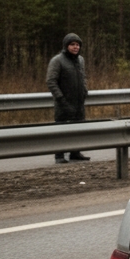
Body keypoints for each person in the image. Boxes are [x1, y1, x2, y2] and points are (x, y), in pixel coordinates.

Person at [47, 32, 90, 164]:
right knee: (61, 129)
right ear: (66, 46)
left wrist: (84, 91)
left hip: (78, 101)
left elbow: (83, 78)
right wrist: (60, 98)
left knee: (78, 127)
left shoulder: (80, 60)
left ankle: (75, 153)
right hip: (63, 102)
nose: (76, 47)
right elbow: (51, 81)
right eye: (72, 44)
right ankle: (59, 155)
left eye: (77, 45)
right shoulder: (57, 60)